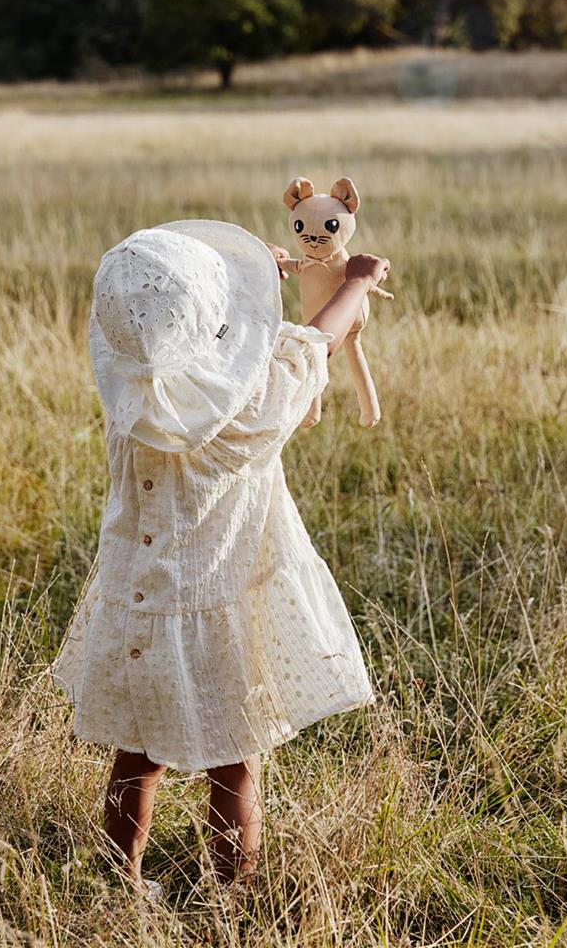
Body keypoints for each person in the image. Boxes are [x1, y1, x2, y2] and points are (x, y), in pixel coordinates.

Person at [52, 219, 389, 896]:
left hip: (138, 610)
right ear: (214, 321)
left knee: (135, 759)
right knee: (234, 765)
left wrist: (254, 268)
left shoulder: (129, 388)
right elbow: (313, 345)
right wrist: (356, 282)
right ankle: (230, 890)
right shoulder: (252, 404)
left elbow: (170, 320)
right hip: (214, 612)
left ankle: (121, 881)